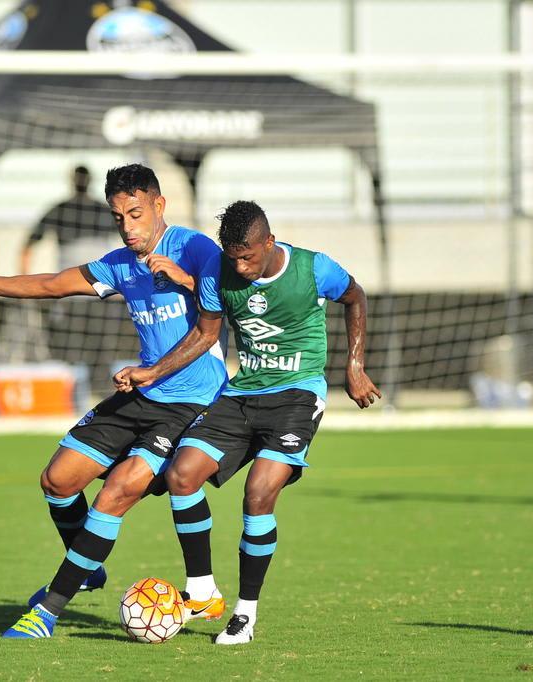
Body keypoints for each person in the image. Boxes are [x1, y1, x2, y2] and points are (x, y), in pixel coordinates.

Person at [0, 164, 229, 639]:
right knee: (57, 480)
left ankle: (48, 611)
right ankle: (88, 566)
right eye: (119, 217)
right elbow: (54, 283)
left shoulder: (195, 249)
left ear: (159, 206)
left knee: (113, 495)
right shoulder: (120, 262)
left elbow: (221, 315)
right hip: (142, 392)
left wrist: (185, 279)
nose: (129, 226)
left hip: (192, 403)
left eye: (136, 213)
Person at [115, 200, 381, 645]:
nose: (240, 265)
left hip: (296, 396)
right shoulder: (220, 274)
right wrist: (153, 371)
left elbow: (356, 297)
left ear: (269, 243)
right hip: (242, 395)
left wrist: (353, 366)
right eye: (233, 256)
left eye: (248, 256)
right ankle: (201, 590)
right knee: (181, 474)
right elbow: (204, 333)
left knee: (258, 493)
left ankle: (244, 614)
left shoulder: (315, 268)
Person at [18, 165, 121, 379]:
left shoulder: (102, 210)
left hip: (95, 291)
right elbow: (29, 245)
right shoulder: (63, 210)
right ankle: (82, 392)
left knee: (96, 348)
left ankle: (97, 392)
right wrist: (25, 282)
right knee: (77, 347)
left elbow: (28, 247)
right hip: (77, 292)